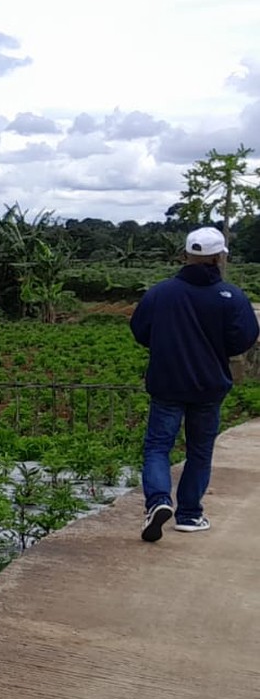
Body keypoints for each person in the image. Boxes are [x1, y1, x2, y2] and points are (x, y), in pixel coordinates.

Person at [129, 226, 259, 541]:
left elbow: (140, 330)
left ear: (186, 255)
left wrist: (167, 345)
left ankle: (159, 501)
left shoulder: (160, 293)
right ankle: (189, 514)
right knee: (200, 451)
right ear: (218, 258)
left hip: (167, 385)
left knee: (158, 447)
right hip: (208, 386)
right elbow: (244, 338)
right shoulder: (231, 296)